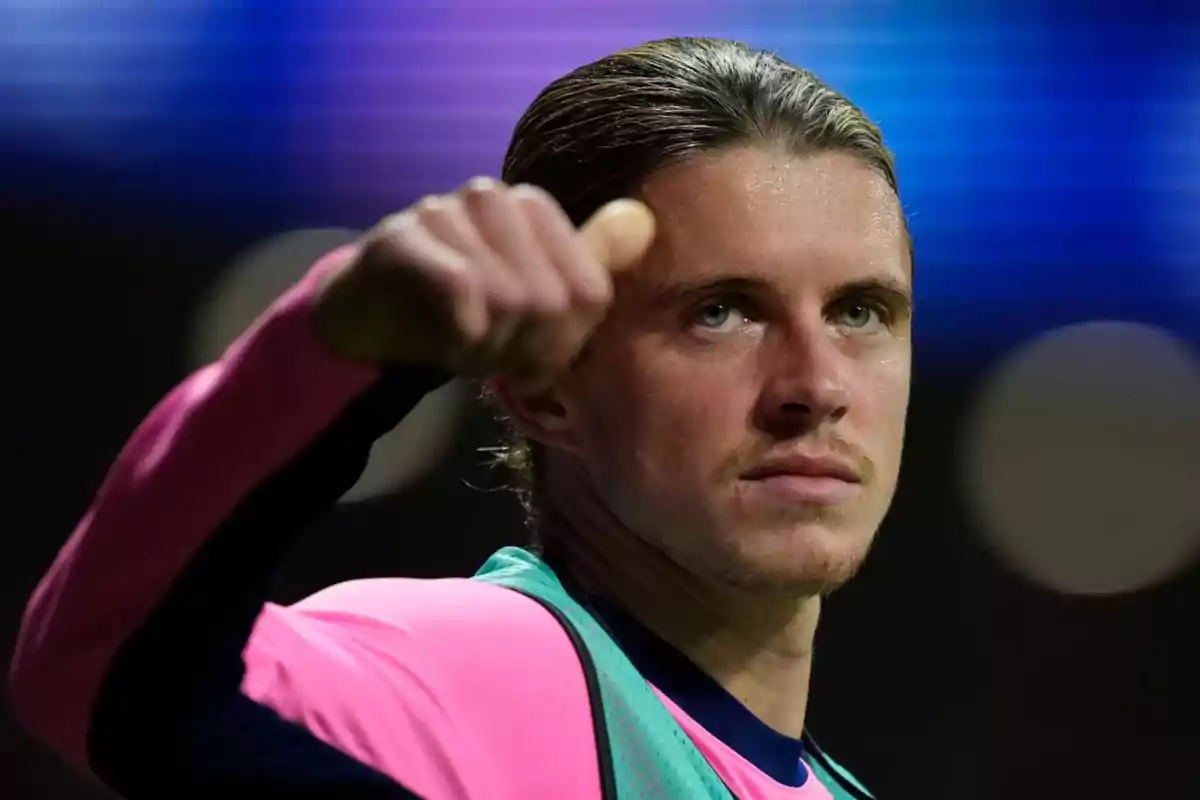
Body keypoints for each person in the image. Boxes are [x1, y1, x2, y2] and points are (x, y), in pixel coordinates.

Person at [8, 37, 911, 800]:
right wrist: (339, 344)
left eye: (860, 311)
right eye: (722, 310)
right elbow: (99, 673)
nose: (815, 384)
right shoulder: (459, 681)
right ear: (546, 382)